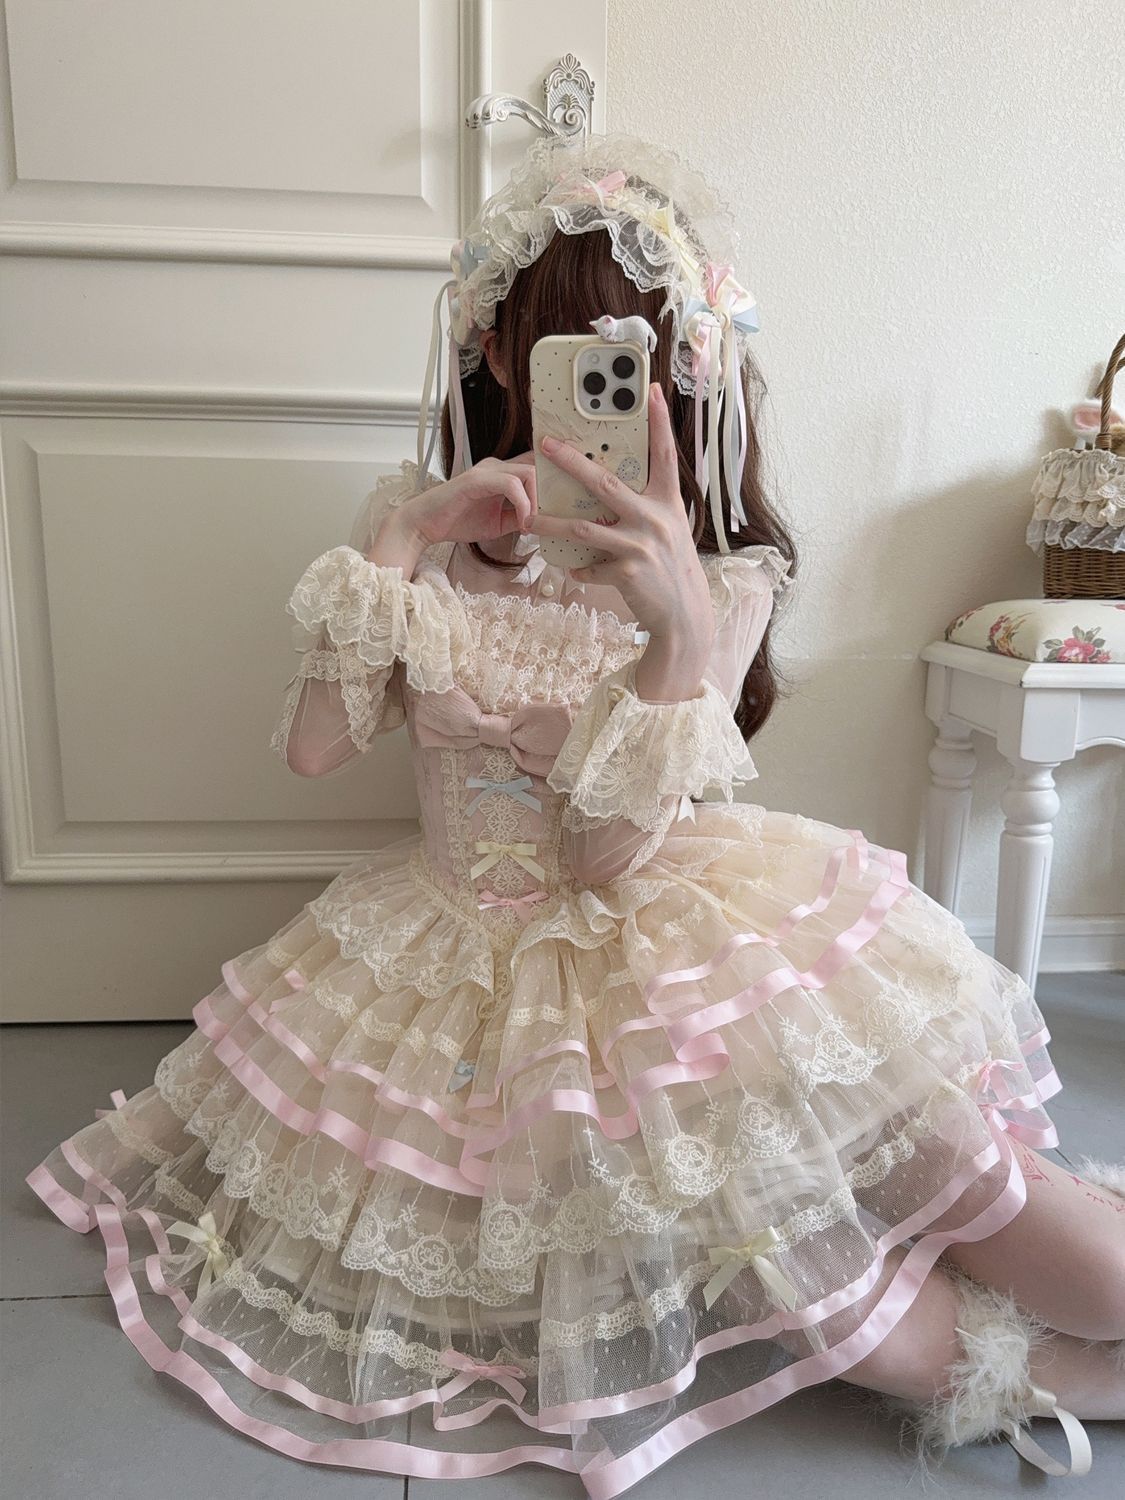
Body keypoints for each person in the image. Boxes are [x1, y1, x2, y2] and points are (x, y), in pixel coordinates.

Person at [26, 131, 1124, 1494]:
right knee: (862, 1327)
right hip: (451, 972)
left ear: (685, 372)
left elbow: (606, 857)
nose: (605, 390)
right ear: (496, 352)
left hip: (670, 947)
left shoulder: (723, 574)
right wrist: (404, 543)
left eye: (638, 360)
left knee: (1082, 1266)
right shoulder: (413, 525)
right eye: (564, 352)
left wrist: (674, 630)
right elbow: (315, 747)